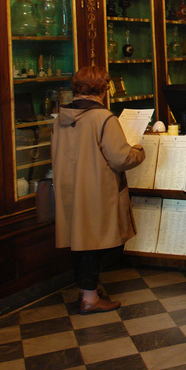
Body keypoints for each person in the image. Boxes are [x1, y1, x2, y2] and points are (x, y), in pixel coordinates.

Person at [51, 66, 145, 314]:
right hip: (96, 190)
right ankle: (90, 299)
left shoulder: (62, 117)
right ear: (102, 89)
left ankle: (86, 290)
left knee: (79, 241)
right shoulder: (103, 118)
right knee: (94, 243)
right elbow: (121, 159)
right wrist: (138, 150)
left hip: (69, 190)